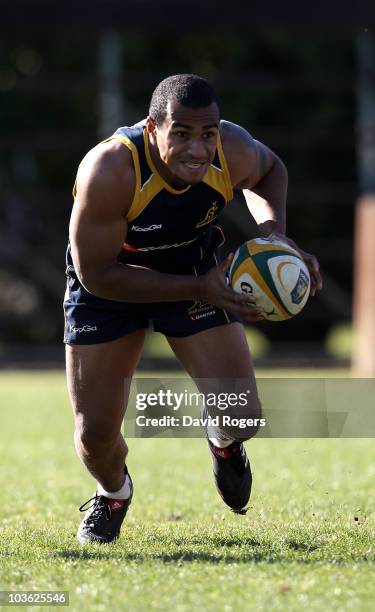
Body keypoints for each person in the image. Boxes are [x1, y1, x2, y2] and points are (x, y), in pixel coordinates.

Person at [64, 74, 322, 544]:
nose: (198, 149)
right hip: (109, 284)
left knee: (242, 416)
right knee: (95, 435)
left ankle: (223, 442)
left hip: (193, 266)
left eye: (207, 134)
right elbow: (96, 274)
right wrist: (198, 289)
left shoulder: (233, 148)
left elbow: (269, 171)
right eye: (181, 134)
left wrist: (274, 236)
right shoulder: (109, 170)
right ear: (152, 129)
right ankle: (113, 493)